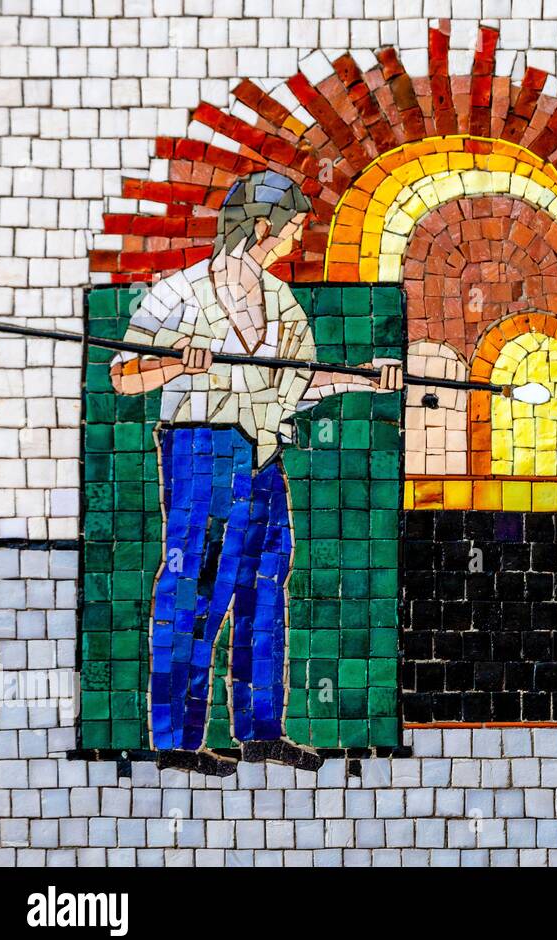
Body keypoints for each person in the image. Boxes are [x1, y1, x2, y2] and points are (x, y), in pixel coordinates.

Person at [111, 170, 403, 773]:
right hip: (202, 452)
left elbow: (297, 385)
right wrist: (175, 366)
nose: (297, 244)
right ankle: (177, 740)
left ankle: (260, 730)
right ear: (264, 226)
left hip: (266, 459)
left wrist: (363, 377)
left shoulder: (282, 304)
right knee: (194, 590)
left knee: (264, 592)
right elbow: (123, 374)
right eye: (294, 230)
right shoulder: (179, 294)